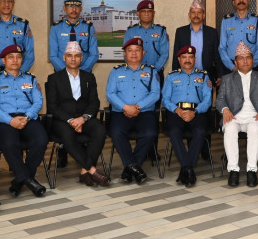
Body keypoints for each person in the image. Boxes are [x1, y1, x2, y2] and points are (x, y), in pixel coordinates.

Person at [0, 44, 48, 197]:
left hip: (27, 117)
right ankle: (28, 179)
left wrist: (26, 117)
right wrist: (10, 120)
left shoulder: (30, 79)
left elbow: (38, 102)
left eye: (18, 57)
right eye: (11, 57)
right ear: (3, 60)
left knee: (41, 140)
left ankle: (20, 180)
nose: (15, 60)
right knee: (9, 143)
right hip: (5, 120)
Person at [45, 42, 110, 187]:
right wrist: (70, 120)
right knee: (67, 134)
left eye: (76, 56)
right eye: (69, 56)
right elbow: (52, 106)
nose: (73, 59)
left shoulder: (89, 77)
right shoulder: (54, 79)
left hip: (84, 118)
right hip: (62, 121)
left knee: (100, 130)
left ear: (81, 58)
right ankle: (92, 170)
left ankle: (84, 171)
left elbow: (94, 102)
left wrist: (83, 119)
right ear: (64, 58)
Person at [217, 42, 258, 188]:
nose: (245, 61)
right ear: (235, 62)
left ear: (253, 60)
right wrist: (225, 109)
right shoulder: (227, 79)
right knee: (230, 129)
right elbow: (220, 100)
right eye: (241, 58)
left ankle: (251, 170)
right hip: (233, 116)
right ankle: (233, 170)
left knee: (254, 129)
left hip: (255, 116)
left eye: (248, 58)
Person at [106, 37, 160, 184]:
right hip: (121, 112)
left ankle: (129, 168)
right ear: (125, 53)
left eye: (137, 50)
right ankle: (135, 168)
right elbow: (110, 94)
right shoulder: (116, 71)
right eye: (130, 50)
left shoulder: (151, 71)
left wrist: (137, 107)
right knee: (116, 133)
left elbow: (155, 94)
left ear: (143, 52)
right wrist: (126, 107)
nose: (134, 53)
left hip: (144, 112)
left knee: (150, 133)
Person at [162, 45, 213, 187]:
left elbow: (208, 100)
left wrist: (194, 111)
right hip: (176, 112)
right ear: (179, 59)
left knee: (200, 131)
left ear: (195, 59)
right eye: (184, 57)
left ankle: (185, 168)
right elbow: (165, 99)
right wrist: (177, 110)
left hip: (197, 112)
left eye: (190, 57)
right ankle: (189, 169)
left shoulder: (203, 76)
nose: (187, 60)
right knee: (174, 131)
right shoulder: (172, 76)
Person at [172, 0, 222, 86]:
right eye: (193, 12)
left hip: (207, 77)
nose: (196, 15)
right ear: (189, 15)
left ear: (204, 15)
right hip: (185, 76)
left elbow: (217, 55)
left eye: (199, 12)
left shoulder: (212, 32)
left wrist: (220, 75)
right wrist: (175, 75)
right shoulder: (180, 32)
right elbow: (176, 55)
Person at [48, 0, 99, 73]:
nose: (74, 9)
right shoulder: (56, 28)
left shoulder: (89, 27)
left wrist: (81, 73)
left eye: (77, 6)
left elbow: (94, 54)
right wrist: (66, 73)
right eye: (70, 6)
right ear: (64, 8)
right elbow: (53, 55)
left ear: (81, 9)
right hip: (61, 73)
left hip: (84, 73)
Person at [219, 0, 258, 71]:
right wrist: (232, 67)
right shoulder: (226, 20)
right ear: (233, 2)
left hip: (252, 67)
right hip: (231, 67)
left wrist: (251, 65)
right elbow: (222, 47)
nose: (241, 0)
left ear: (248, 0)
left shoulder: (257, 20)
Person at [123, 0, 169, 79]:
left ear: (154, 13)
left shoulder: (161, 31)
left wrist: (154, 70)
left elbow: (164, 54)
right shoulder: (130, 31)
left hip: (156, 73)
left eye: (149, 11)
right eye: (143, 11)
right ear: (138, 13)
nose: (147, 14)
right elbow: (126, 54)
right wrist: (136, 69)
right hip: (135, 73)